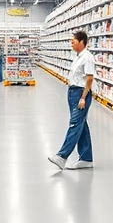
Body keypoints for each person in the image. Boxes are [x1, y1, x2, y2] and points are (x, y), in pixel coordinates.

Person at [48, 31, 94, 170]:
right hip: (73, 92)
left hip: (81, 94)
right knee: (82, 125)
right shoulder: (77, 57)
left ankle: (62, 156)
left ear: (81, 42)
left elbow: (90, 78)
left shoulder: (87, 57)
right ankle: (86, 158)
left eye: (73, 41)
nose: (71, 44)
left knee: (75, 124)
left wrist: (83, 98)